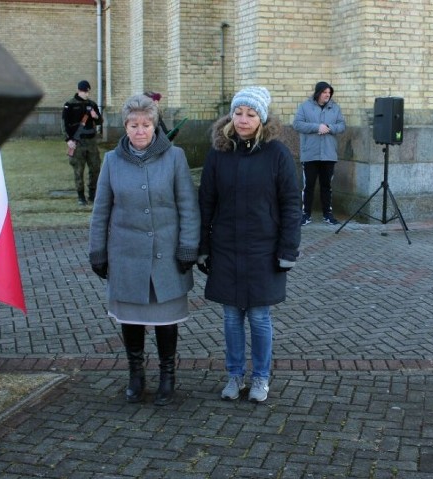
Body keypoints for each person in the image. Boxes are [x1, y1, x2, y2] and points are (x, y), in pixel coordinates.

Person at [89, 94, 200, 406]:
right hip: (126, 256)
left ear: (156, 126)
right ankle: (135, 375)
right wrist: (97, 250)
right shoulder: (111, 162)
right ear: (125, 127)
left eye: (146, 124)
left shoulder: (175, 157)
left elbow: (188, 207)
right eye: (133, 124)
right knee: (131, 319)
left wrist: (189, 245)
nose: (140, 130)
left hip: (167, 256)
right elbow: (101, 211)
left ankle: (168, 376)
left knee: (166, 320)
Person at [198, 86, 302, 403]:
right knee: (231, 318)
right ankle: (233, 376)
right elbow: (206, 203)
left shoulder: (277, 155)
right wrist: (203, 246)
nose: (243, 120)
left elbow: (291, 205)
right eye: (239, 113)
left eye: (251, 114)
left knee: (258, 318)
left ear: (262, 118)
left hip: (263, 250)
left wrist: (288, 250)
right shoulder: (219, 152)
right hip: (226, 248)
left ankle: (260, 378)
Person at [293, 81, 346, 226]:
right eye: (324, 93)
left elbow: (342, 126)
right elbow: (297, 124)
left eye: (329, 93)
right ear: (318, 93)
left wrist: (329, 127)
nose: (327, 95)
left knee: (326, 186)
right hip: (310, 154)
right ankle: (305, 215)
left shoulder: (335, 108)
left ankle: (327, 215)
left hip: (329, 154)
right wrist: (317, 127)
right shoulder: (305, 106)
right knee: (308, 186)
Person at [62, 80, 103, 206]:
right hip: (77, 142)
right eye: (85, 91)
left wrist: (95, 116)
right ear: (79, 90)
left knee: (95, 168)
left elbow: (100, 121)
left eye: (88, 91)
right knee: (78, 170)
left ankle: (92, 195)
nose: (87, 94)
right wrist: (68, 140)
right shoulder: (69, 105)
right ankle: (81, 196)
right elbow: (64, 124)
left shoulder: (92, 104)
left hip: (91, 142)